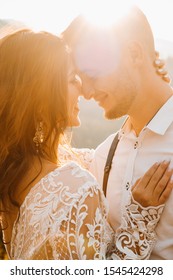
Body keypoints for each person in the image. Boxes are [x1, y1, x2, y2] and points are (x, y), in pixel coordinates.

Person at [0, 29, 172, 260]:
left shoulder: (17, 170)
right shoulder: (75, 187)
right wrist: (138, 222)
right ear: (41, 100)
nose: (84, 89)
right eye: (73, 79)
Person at [62, 6, 173, 259]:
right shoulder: (103, 157)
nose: (87, 93)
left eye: (91, 74)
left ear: (134, 54)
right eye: (79, 79)